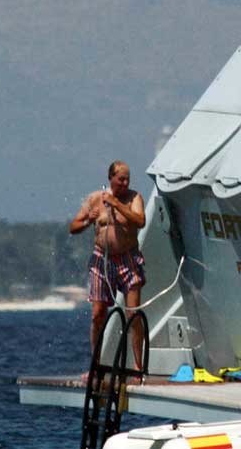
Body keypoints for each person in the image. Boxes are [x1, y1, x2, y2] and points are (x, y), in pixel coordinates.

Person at [69, 160, 146, 373]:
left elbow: (140, 221)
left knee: (132, 313)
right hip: (101, 259)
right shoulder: (95, 199)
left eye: (127, 179)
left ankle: (138, 365)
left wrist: (117, 204)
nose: (125, 182)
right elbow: (73, 226)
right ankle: (96, 364)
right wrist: (87, 222)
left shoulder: (134, 198)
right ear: (110, 178)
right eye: (121, 179)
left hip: (128, 259)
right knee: (98, 313)